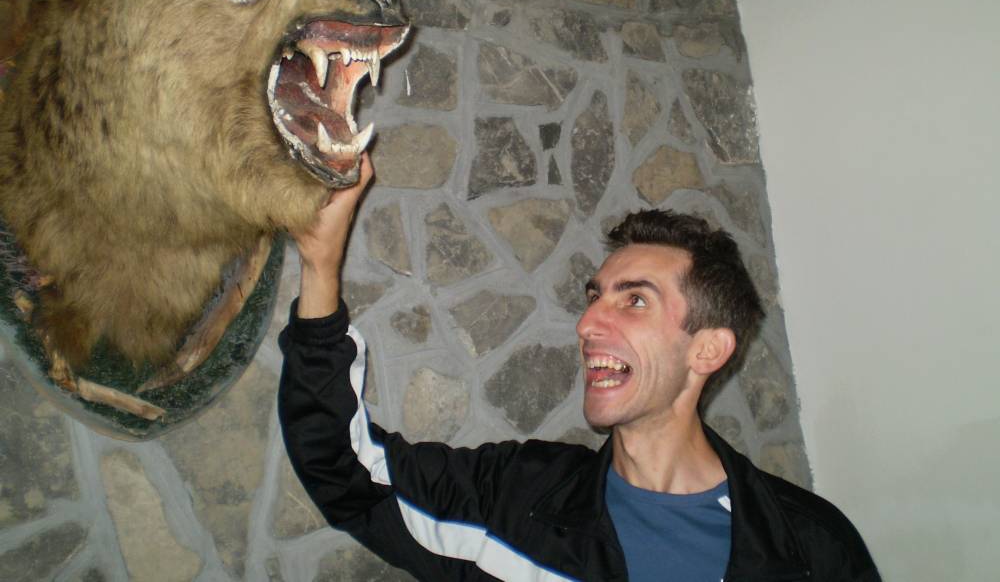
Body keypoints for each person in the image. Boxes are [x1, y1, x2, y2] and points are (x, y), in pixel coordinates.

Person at [278, 154, 880, 581]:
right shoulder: (515, 501)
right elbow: (345, 472)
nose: (588, 324)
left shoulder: (812, 548)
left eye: (634, 301)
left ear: (708, 350)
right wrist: (320, 263)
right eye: (594, 298)